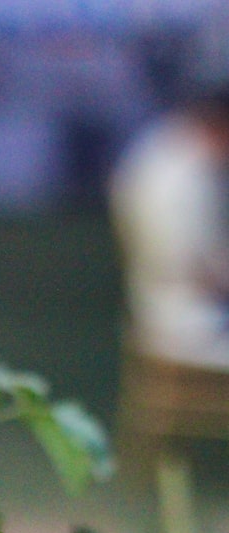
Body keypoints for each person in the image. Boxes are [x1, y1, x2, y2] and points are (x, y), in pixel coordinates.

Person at [110, 86, 229, 368]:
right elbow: (192, 267)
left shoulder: (161, 147)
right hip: (188, 322)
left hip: (167, 310)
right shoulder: (178, 173)